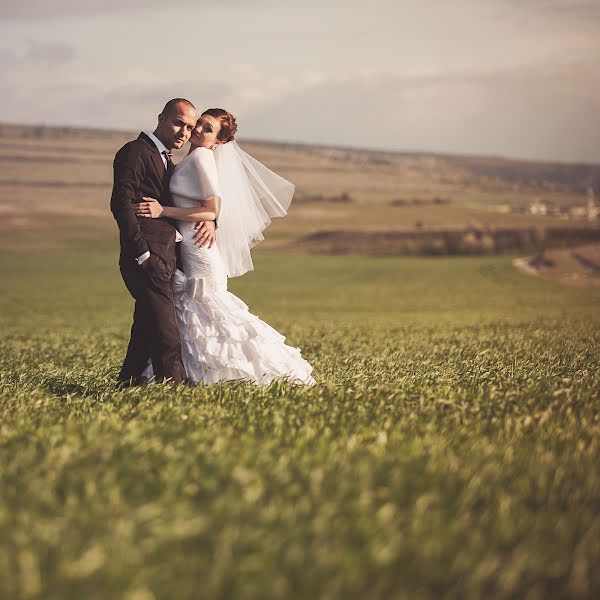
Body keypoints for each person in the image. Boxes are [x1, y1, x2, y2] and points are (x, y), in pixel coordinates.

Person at [134, 108, 315, 385]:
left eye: (207, 129)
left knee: (208, 309)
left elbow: (212, 208)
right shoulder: (194, 157)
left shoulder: (202, 159)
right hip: (193, 244)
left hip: (199, 250)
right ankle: (184, 374)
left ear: (218, 142)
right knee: (195, 312)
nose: (197, 131)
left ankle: (247, 372)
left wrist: (163, 211)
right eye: (199, 124)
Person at [110, 98, 216, 386]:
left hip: (167, 255)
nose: (184, 131)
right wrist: (142, 253)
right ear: (161, 118)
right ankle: (175, 388)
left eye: (190, 127)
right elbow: (121, 203)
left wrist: (208, 218)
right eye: (178, 122)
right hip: (147, 256)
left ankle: (128, 382)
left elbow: (180, 202)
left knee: (147, 324)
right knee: (166, 330)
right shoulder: (135, 152)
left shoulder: (166, 159)